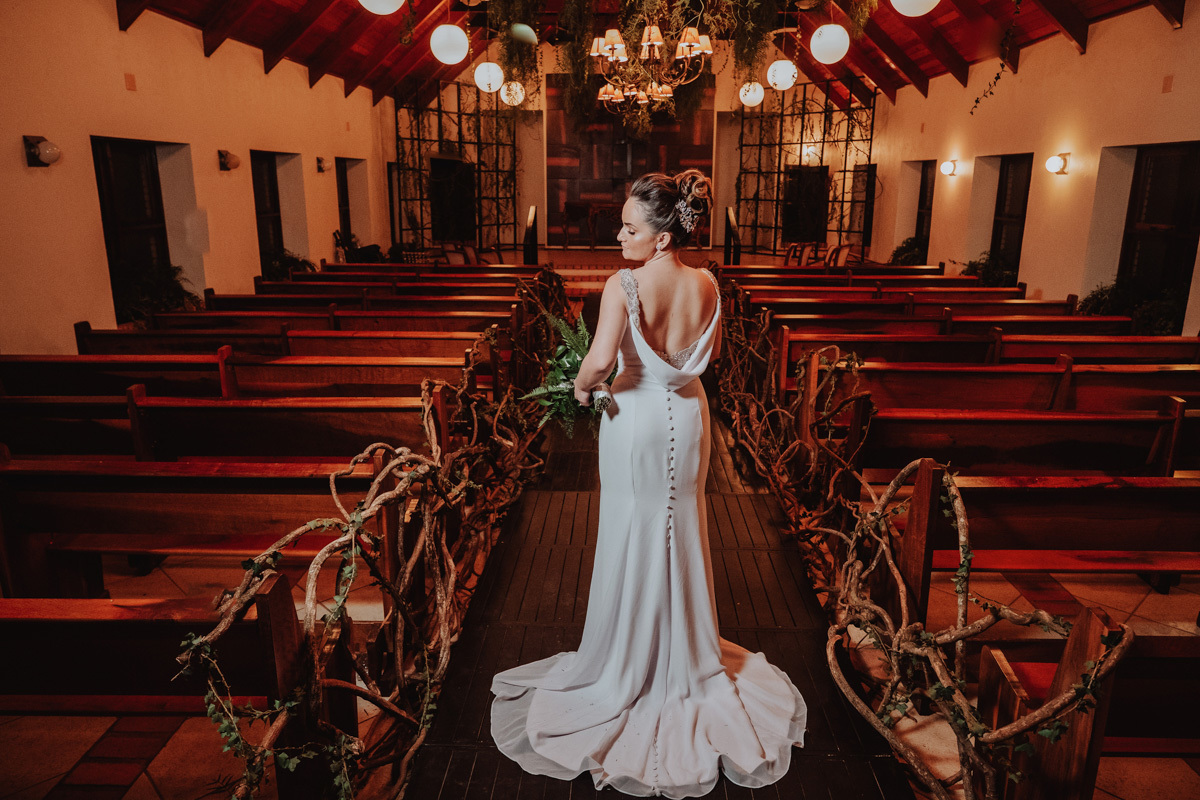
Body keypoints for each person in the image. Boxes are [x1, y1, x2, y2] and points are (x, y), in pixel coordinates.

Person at [490, 170, 807, 798]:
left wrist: (581, 388)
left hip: (632, 417)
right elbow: (699, 354)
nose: (619, 235)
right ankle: (685, 656)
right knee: (681, 525)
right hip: (688, 415)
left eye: (631, 227)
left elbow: (603, 360)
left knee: (635, 528)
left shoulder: (624, 285)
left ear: (663, 237)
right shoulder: (709, 283)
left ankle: (626, 661)